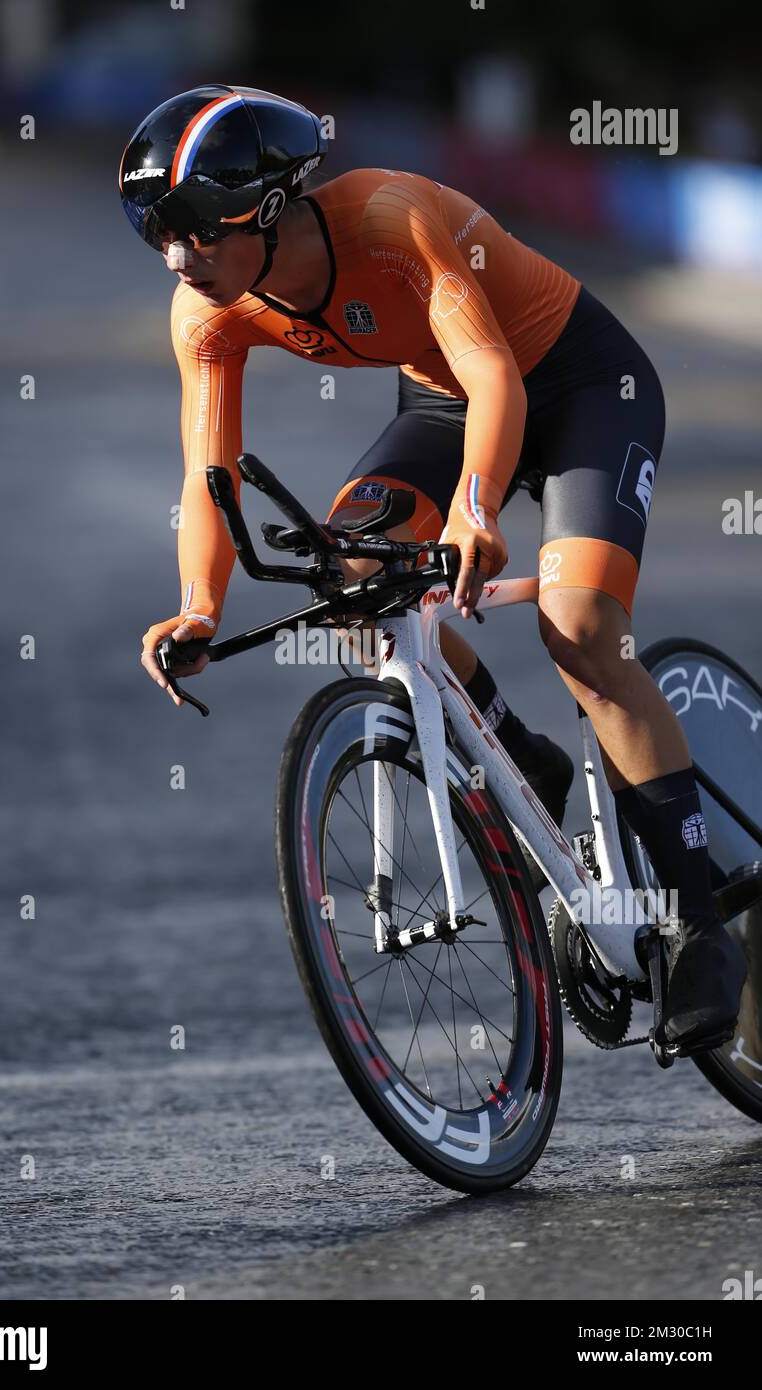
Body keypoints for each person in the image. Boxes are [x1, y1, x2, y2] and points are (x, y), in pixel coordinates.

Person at [119, 84, 746, 1051]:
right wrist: (199, 604)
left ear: (272, 206)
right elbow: (207, 474)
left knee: (577, 628)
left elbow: (498, 372)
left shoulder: (388, 218)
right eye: (157, 228)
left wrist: (477, 509)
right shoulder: (204, 312)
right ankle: (514, 747)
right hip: (447, 403)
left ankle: (698, 926)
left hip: (577, 385)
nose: (178, 255)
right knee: (347, 576)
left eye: (198, 227)